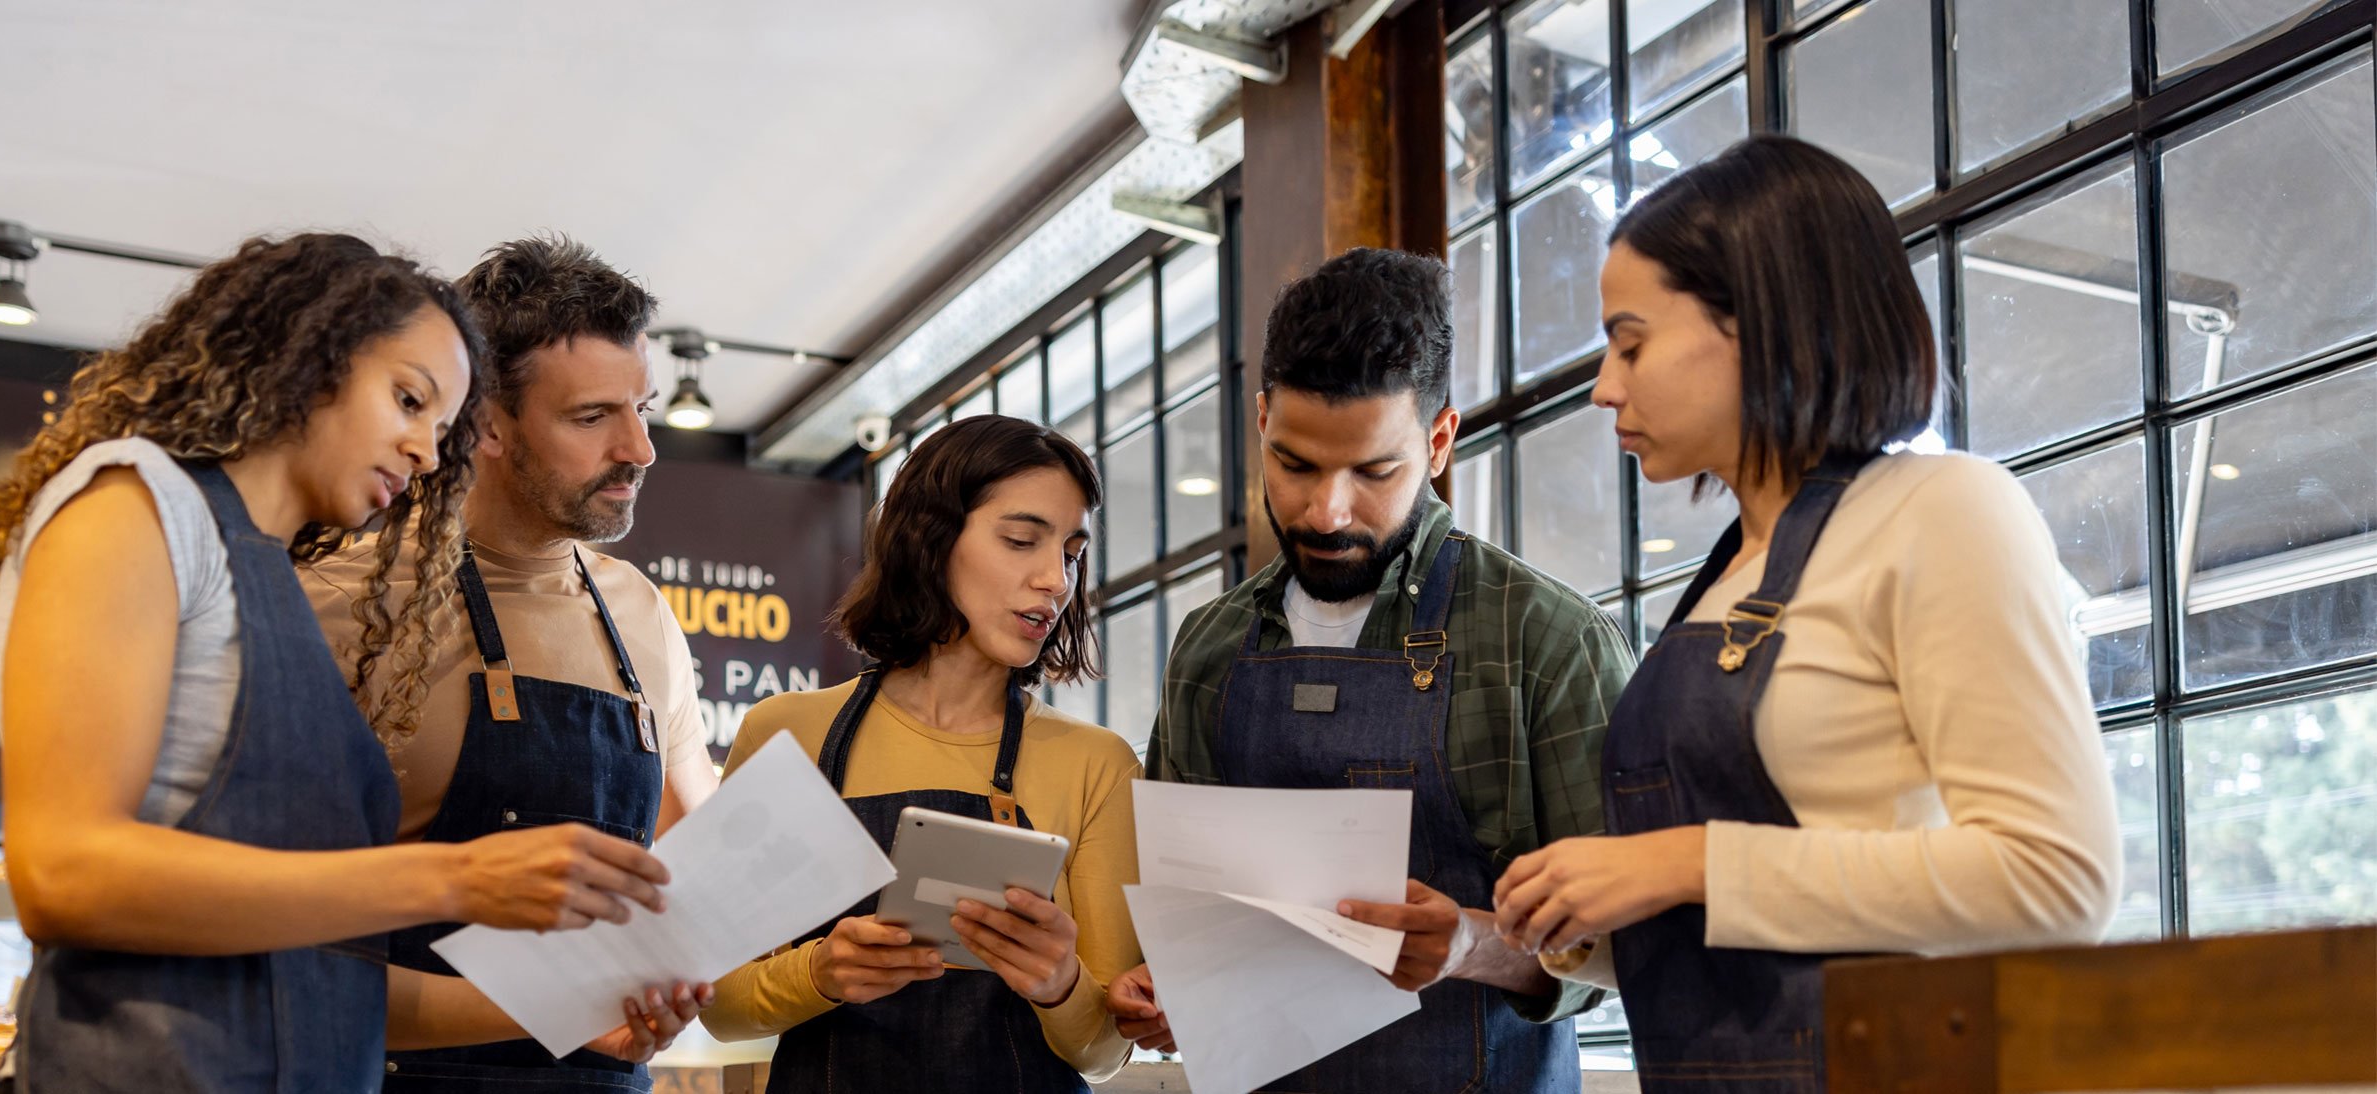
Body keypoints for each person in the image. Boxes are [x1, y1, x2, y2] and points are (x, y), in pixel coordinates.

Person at [0, 234, 688, 1093]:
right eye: (408, 400)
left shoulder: (261, 574)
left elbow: (329, 968)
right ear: (308, 365)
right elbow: (61, 877)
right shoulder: (132, 508)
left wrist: (576, 1012)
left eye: (440, 424)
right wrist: (454, 877)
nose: (429, 453)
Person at [1491, 135, 2121, 1093]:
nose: (1603, 386)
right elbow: (1743, 945)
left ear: (1759, 321)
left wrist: (1686, 861)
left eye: (1631, 343)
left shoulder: (1944, 511)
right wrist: (1584, 923)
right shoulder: (1722, 577)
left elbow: (2056, 882)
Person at [1112, 247, 1631, 1093]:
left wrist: (1473, 943)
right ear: (1261, 422)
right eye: (1296, 465)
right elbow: (1187, 923)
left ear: (1437, 440)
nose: (1327, 510)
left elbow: (1631, 947)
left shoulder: (1545, 639)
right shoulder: (1208, 650)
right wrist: (1165, 986)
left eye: (1374, 471)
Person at [300, 236, 719, 1091]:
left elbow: (692, 865)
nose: (638, 448)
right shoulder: (341, 608)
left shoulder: (640, 613)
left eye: (640, 408)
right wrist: (565, 1007)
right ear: (486, 423)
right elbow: (289, 959)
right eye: (593, 417)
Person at [702, 415, 1139, 1093]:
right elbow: (721, 1004)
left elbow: (1107, 1051)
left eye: (1074, 552)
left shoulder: (1097, 764)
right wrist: (820, 973)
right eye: (1022, 540)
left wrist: (1060, 982)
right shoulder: (788, 735)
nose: (1057, 579)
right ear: (931, 540)